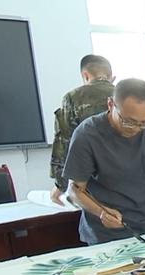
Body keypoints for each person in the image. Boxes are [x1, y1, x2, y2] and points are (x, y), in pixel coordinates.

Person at [63, 79, 145, 245]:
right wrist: (101, 212)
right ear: (110, 104)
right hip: (105, 233)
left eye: (144, 123)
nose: (136, 129)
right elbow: (74, 190)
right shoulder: (87, 135)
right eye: (128, 121)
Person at [50, 55, 115, 205]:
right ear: (110, 76)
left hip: (91, 181)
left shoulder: (73, 98)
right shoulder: (125, 95)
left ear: (85, 75)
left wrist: (60, 185)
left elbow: (64, 142)